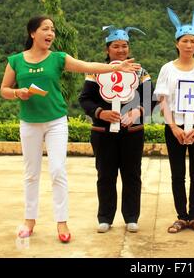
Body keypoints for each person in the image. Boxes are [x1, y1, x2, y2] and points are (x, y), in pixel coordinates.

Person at [0, 15, 140, 243]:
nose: (50, 34)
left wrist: (117, 67)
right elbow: (4, 89)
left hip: (56, 121)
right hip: (29, 122)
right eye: (45, 29)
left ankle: (62, 222)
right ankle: (29, 220)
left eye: (52, 30)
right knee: (31, 173)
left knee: (57, 171)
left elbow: (87, 66)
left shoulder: (58, 58)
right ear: (32, 33)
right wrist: (18, 93)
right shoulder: (16, 60)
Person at [78, 25, 155, 233]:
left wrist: (137, 111)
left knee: (132, 174)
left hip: (132, 133)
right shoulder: (96, 72)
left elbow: (151, 99)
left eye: (124, 46)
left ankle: (131, 216)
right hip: (103, 134)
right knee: (105, 174)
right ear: (107, 49)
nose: (121, 50)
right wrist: (100, 113)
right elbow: (85, 99)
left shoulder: (140, 71)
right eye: (116, 46)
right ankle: (105, 217)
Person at [154, 6, 194, 234]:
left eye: (193, 41)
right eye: (185, 41)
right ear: (176, 43)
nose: (189, 45)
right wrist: (172, 126)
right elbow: (163, 100)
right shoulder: (167, 69)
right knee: (177, 173)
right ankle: (181, 217)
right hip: (175, 128)